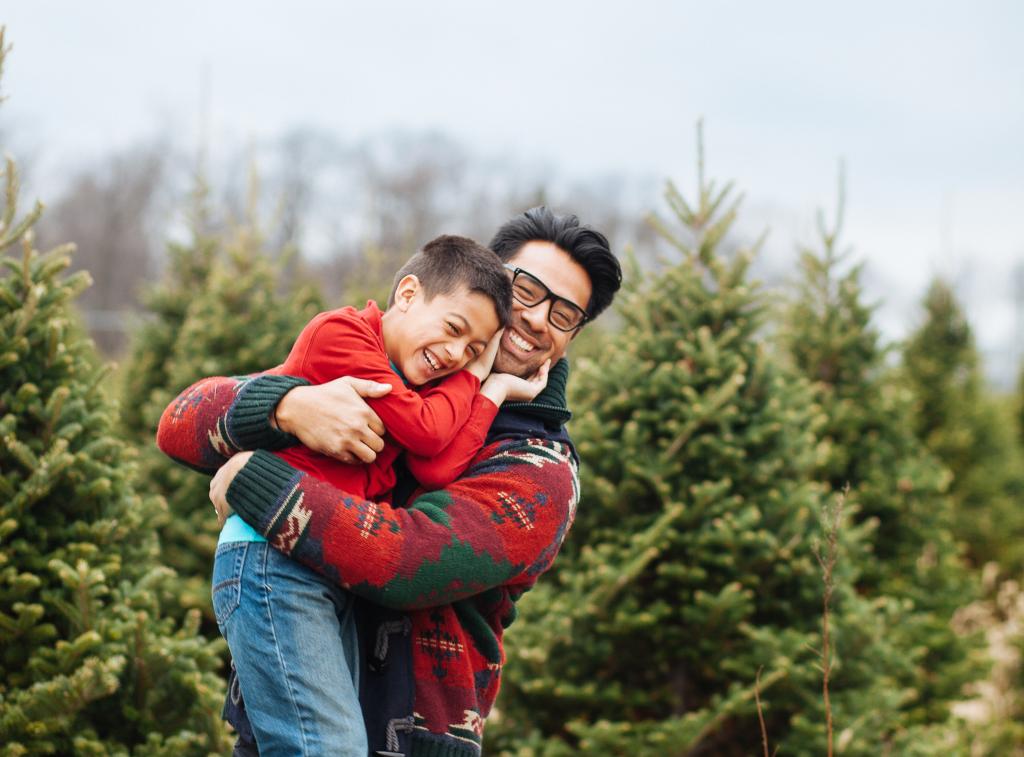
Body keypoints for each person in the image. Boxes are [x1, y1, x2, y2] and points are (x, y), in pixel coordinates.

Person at [158, 206, 622, 756]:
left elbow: (406, 561)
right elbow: (180, 421)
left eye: (565, 314)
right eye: (526, 290)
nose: (538, 319)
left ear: (572, 335)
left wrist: (253, 477)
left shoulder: (540, 467)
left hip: (410, 740)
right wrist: (286, 408)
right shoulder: (396, 369)